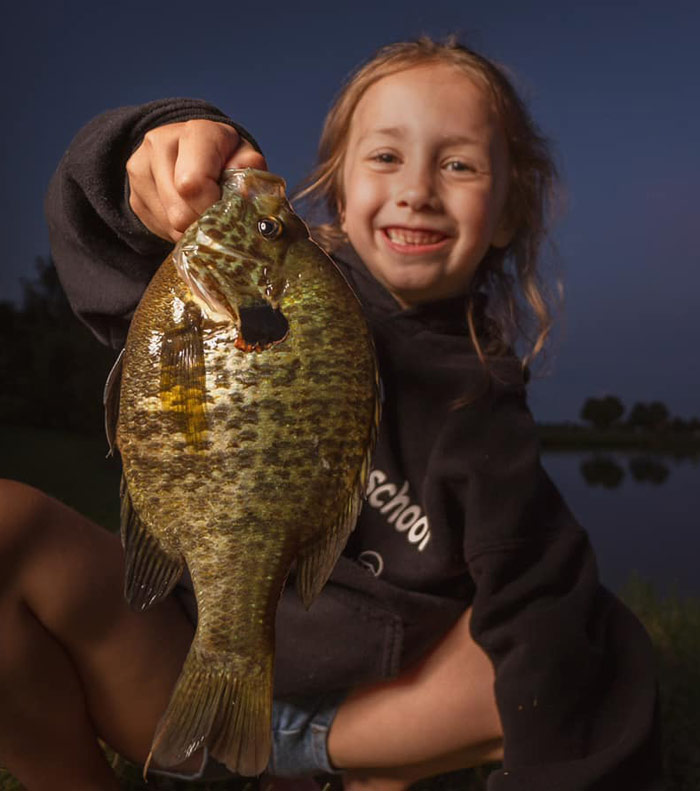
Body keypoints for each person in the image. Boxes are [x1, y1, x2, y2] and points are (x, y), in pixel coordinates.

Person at [0, 37, 661, 790]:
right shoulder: (235, 283)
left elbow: (539, 609)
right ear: (337, 192)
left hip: (368, 725)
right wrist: (163, 150)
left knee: (589, 632)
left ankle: (314, 756)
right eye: (385, 157)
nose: (417, 189)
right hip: (180, 666)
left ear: (508, 211)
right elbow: (110, 259)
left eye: (459, 164)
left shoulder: (483, 416)